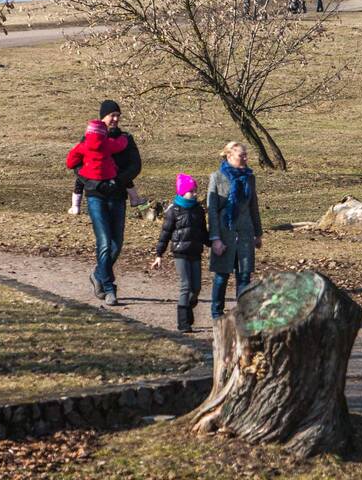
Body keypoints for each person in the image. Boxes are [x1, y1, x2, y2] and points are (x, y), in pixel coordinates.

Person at [70, 100, 142, 306]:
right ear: (103, 117)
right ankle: (110, 288)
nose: (116, 119)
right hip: (96, 196)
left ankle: (97, 275)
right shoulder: (90, 137)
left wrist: (116, 181)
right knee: (104, 242)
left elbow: (135, 165)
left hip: (118, 195)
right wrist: (92, 183)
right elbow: (76, 165)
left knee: (116, 244)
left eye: (118, 115)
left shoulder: (126, 139)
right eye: (112, 115)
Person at [207, 141, 263, 319]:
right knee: (222, 276)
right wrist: (215, 238)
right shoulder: (217, 177)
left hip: (245, 232)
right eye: (242, 155)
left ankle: (242, 314)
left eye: (246, 155)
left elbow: (254, 206)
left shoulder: (250, 177)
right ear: (229, 156)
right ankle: (216, 313)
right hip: (225, 232)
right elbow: (212, 211)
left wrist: (258, 233)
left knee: (244, 275)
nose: (246, 158)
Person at [151, 174, 209, 333]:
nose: (195, 194)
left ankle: (188, 308)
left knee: (196, 288)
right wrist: (159, 255)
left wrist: (214, 244)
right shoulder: (173, 210)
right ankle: (183, 323)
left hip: (195, 252)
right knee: (186, 285)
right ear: (182, 192)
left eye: (196, 190)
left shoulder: (198, 210)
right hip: (180, 253)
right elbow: (165, 234)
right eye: (192, 191)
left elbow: (203, 233)